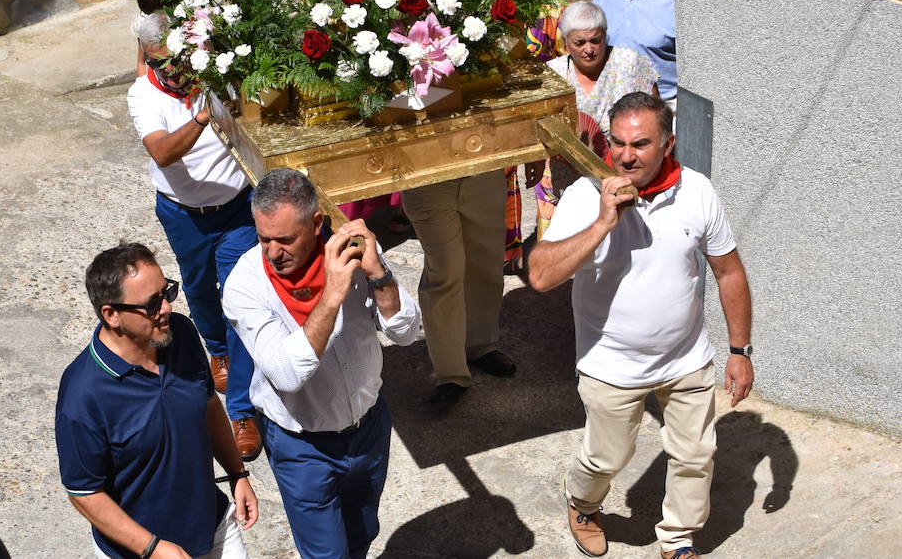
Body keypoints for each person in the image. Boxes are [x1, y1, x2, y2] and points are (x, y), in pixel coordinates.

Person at [527, 93, 754, 559]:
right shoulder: (585, 196)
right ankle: (582, 502)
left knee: (695, 456)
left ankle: (678, 540)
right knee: (608, 457)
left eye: (641, 144)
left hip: (686, 359)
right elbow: (540, 275)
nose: (626, 155)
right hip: (611, 365)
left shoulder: (698, 191)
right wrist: (604, 222)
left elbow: (728, 271)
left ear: (668, 143)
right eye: (619, 142)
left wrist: (739, 350)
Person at [222, 168, 420, 559]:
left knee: (362, 535)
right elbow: (287, 373)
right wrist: (332, 294)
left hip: (369, 429)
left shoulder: (354, 255)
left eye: (284, 240)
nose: (273, 253)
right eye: (264, 239)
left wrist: (378, 274)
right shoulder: (245, 285)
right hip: (303, 448)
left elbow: (406, 332)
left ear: (316, 224)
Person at [56, 242, 259, 559]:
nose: (166, 308)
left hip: (214, 528)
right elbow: (85, 493)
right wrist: (152, 548)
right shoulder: (84, 394)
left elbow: (207, 406)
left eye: (167, 293)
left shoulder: (181, 333)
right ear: (111, 314)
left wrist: (237, 474)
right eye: (151, 304)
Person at [128, 14, 262, 460]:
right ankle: (218, 349)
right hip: (184, 215)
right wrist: (203, 117)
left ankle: (241, 409)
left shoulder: (215, 70)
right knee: (200, 289)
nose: (177, 72)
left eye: (182, 60)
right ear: (149, 59)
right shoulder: (143, 95)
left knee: (241, 300)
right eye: (165, 65)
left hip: (238, 209)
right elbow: (163, 153)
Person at [529, 1, 661, 238]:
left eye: (596, 40)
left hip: (623, 173)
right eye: (580, 42)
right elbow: (536, 124)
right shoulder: (552, 74)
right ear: (566, 42)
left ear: (605, 36)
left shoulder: (629, 63)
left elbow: (657, 116)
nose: (589, 49)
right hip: (568, 178)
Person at [402, 167, 516, 404]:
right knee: (444, 273)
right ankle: (450, 373)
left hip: (484, 170)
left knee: (487, 266)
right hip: (426, 176)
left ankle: (480, 346)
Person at [131, 0, 182, 78]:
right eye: (149, 13)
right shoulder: (143, 24)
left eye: (161, 14)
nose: (155, 19)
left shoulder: (186, 17)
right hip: (162, 77)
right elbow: (141, 61)